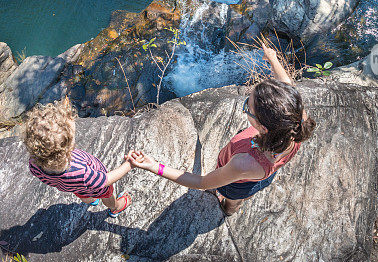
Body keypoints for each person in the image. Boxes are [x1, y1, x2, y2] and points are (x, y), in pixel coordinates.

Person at [128, 43, 316, 216]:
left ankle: (228, 210)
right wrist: (272, 58)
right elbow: (288, 87)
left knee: (232, 199)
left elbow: (202, 183)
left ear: (264, 127)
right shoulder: (296, 119)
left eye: (247, 108)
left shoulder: (243, 163)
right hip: (261, 176)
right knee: (243, 189)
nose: (245, 109)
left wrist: (154, 167)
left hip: (236, 183)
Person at [23, 97, 132, 217]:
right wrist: (128, 165)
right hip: (96, 186)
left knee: (84, 195)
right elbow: (105, 181)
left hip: (77, 188)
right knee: (107, 195)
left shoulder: (34, 164)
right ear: (68, 147)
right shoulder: (82, 172)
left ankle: (92, 200)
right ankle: (116, 207)